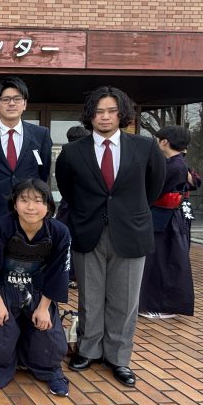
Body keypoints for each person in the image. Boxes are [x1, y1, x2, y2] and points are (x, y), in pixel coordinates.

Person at [55, 86, 165, 388]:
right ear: (90, 116)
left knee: (125, 300)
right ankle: (88, 350)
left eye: (111, 111)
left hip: (130, 232)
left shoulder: (144, 147)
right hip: (88, 230)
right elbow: (67, 189)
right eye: (98, 111)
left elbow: (154, 186)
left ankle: (118, 358)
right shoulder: (72, 152)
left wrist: (128, 212)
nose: (105, 117)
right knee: (89, 297)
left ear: (122, 114)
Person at [0, 179, 71, 397]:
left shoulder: (59, 233)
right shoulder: (0, 228)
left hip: (34, 286)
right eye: (24, 200)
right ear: (14, 204)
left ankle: (49, 369)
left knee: (48, 334)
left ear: (48, 206)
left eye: (38, 201)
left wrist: (44, 308)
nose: (31, 207)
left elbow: (58, 273)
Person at [0, 77, 52, 235]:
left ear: (24, 104)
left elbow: (43, 172)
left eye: (17, 99)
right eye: (6, 99)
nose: (11, 103)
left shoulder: (41, 135)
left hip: (29, 213)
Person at [138, 125, 194, 319]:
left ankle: (160, 305)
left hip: (166, 218)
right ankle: (156, 303)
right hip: (165, 217)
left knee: (162, 262)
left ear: (164, 142)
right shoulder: (177, 163)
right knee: (161, 261)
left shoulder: (174, 165)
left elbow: (153, 189)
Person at [55, 125, 91, 289]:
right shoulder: (90, 155)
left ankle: (67, 274)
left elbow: (62, 182)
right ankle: (75, 275)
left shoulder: (66, 154)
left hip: (68, 204)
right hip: (82, 205)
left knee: (65, 240)